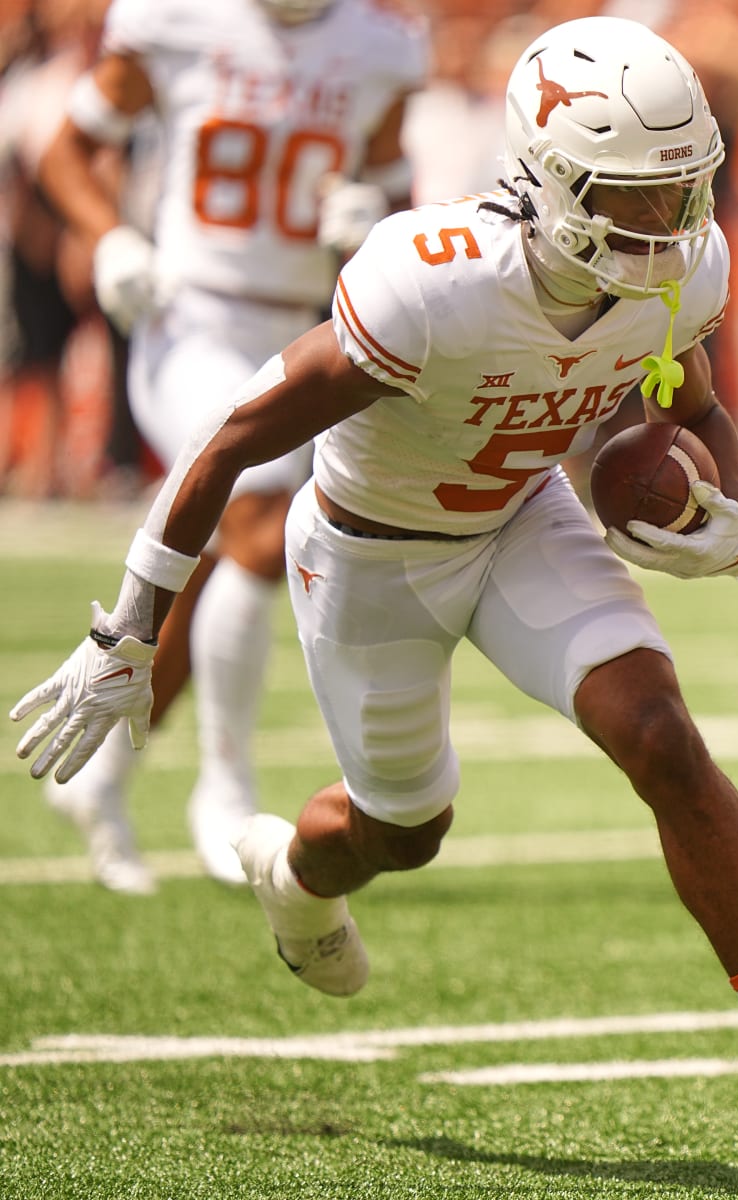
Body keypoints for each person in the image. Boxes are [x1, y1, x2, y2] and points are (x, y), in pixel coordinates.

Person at [9, 16, 738, 1161]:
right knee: (402, 828)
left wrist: (730, 506)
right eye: (633, 195)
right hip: (371, 553)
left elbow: (688, 404)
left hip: (522, 516)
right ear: (547, 177)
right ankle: (293, 872)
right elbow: (228, 440)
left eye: (684, 190)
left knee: (663, 736)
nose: (668, 223)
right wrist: (129, 630)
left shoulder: (686, 266)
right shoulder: (430, 284)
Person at [33, 0, 429, 892]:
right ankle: (224, 788)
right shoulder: (177, 20)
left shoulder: (381, 45)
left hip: (304, 329)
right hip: (190, 315)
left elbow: (402, 197)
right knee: (257, 530)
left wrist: (373, 214)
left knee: (211, 567)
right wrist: (113, 237)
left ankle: (104, 776)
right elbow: (63, 153)